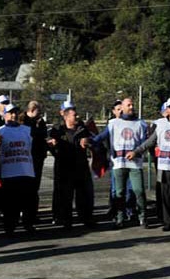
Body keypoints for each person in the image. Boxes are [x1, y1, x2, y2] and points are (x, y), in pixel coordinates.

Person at [129, 98, 170, 231]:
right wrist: (136, 151)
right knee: (166, 197)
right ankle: (168, 222)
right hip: (164, 166)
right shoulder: (160, 124)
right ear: (167, 109)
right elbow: (150, 142)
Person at [84, 97, 149, 228]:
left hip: (135, 164)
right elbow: (101, 137)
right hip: (119, 164)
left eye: (132, 105)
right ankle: (119, 217)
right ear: (122, 107)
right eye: (128, 105)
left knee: (139, 190)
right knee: (119, 192)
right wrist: (89, 141)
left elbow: (144, 144)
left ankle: (142, 216)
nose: (131, 107)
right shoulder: (113, 123)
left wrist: (137, 152)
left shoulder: (140, 123)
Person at [47, 101, 96, 229]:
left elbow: (93, 141)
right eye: (74, 115)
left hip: (80, 166)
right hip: (64, 167)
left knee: (84, 194)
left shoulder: (82, 129)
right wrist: (54, 147)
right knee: (65, 195)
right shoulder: (57, 130)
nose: (77, 117)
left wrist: (88, 141)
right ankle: (65, 220)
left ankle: (86, 218)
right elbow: (50, 145)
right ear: (66, 116)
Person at [0, 104, 36, 235]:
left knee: (28, 202)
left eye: (15, 113)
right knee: (10, 204)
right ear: (4, 115)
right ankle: (9, 227)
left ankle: (28, 224)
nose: (13, 115)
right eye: (10, 113)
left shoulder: (27, 130)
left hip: (26, 171)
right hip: (9, 173)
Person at [22, 101, 48, 212]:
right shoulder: (22, 121)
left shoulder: (40, 122)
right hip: (26, 157)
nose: (40, 113)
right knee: (25, 186)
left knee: (35, 186)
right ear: (32, 110)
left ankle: (32, 212)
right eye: (39, 111)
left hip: (38, 157)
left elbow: (43, 136)